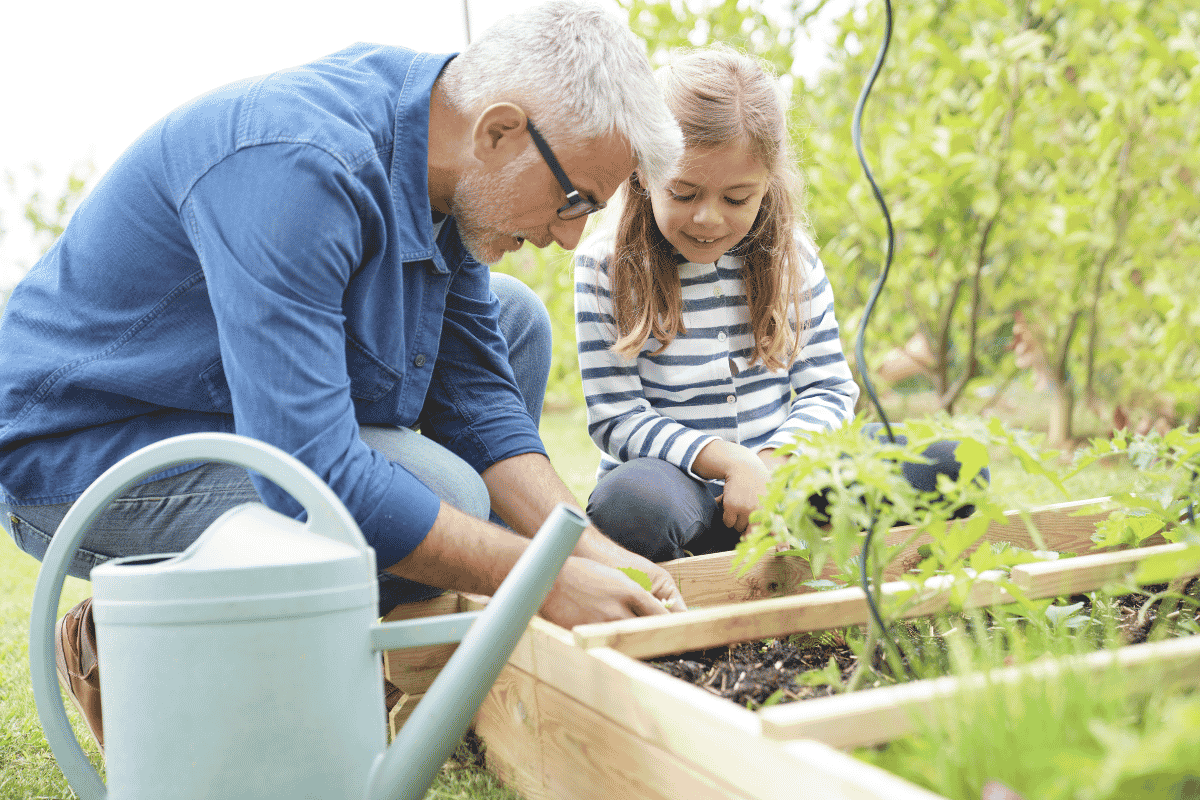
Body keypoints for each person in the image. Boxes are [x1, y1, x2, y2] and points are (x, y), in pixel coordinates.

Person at [0, 0, 687, 751]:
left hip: (231, 408)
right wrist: (541, 583)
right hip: (79, 451)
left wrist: (585, 549)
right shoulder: (298, 166)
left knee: (515, 320)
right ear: (498, 130)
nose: (568, 235)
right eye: (574, 198)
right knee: (449, 497)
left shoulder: (444, 151)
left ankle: (394, 646)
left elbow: (480, 402)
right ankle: (138, 627)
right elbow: (311, 469)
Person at [574, 47, 977, 563]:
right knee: (630, 508)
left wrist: (768, 466)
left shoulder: (791, 258)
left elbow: (828, 389)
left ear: (768, 184)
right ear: (644, 173)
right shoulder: (605, 269)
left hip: (788, 472)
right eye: (683, 192)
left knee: (954, 461)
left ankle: (770, 523)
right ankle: (723, 535)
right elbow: (618, 419)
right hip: (679, 484)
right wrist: (730, 465)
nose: (708, 218)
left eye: (736, 198)